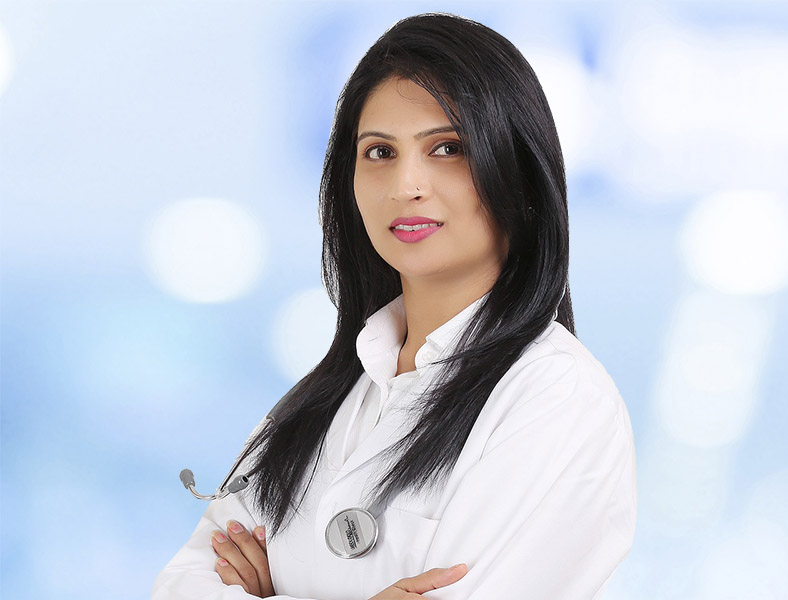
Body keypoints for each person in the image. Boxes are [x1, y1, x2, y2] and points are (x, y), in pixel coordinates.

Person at [152, 12, 636, 600]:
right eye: (379, 151)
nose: (406, 185)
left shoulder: (555, 397)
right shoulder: (323, 399)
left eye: (448, 148)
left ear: (520, 177)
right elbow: (180, 586)